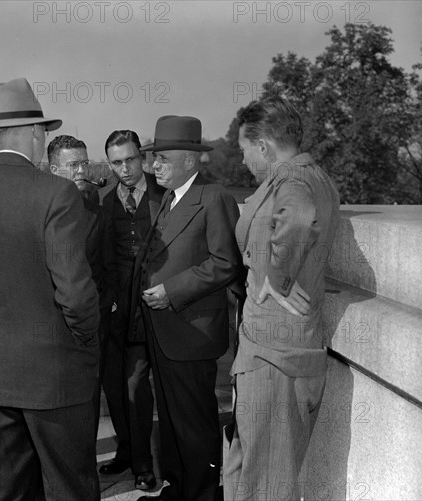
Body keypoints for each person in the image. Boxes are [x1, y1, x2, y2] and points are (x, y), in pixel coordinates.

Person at [0, 78, 100, 501]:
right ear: (34, 132)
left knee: (5, 488)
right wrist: (86, 339)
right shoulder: (56, 193)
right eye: (43, 132)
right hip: (55, 370)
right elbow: (74, 290)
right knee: (70, 487)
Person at [223, 97, 340, 500]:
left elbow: (298, 217)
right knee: (248, 471)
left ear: (263, 146)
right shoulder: (313, 176)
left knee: (265, 483)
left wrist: (277, 278)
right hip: (274, 351)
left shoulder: (293, 181)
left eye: (243, 149)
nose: (243, 161)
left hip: (276, 356)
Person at [132, 115, 244, 501]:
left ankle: (202, 495)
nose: (154, 165)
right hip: (163, 330)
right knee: (172, 419)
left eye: (163, 158)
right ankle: (178, 489)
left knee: (194, 422)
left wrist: (172, 290)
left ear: (191, 161)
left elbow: (226, 262)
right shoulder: (169, 198)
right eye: (153, 158)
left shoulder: (214, 198)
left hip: (191, 332)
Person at [99, 129, 165, 491]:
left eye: (129, 159)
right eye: (116, 162)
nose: (124, 168)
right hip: (113, 307)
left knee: (136, 384)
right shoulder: (102, 199)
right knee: (114, 385)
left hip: (153, 304)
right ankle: (125, 452)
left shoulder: (164, 193)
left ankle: (143, 465)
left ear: (142, 157)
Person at [47, 134, 117, 435]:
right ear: (54, 170)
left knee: (87, 398)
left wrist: (99, 312)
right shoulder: (38, 212)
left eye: (84, 164)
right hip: (48, 326)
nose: (81, 172)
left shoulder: (98, 215)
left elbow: (108, 270)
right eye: (73, 165)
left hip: (89, 325)